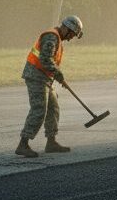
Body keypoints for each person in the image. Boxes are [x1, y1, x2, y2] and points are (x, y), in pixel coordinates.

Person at [16, 15, 83, 158]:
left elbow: (50, 62)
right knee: (39, 109)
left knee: (53, 107)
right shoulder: (51, 37)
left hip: (45, 77)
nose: (71, 38)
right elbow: (45, 59)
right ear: (66, 28)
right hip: (36, 76)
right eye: (71, 34)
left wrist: (56, 76)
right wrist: (59, 75)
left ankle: (51, 142)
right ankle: (23, 144)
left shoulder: (57, 38)